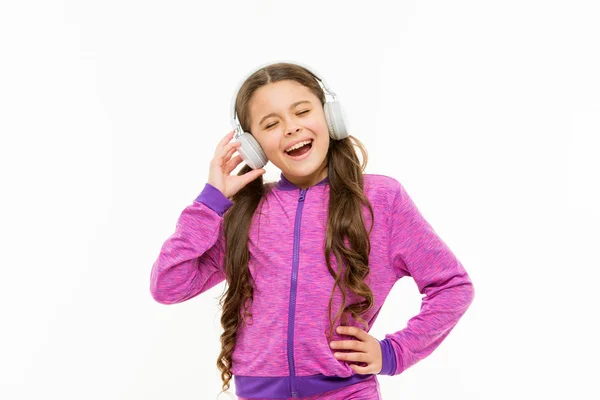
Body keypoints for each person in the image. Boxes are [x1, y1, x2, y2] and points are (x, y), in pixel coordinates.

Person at [149, 61, 475, 400]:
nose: (290, 128)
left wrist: (393, 352)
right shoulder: (244, 214)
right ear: (253, 146)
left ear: (330, 116)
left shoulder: (380, 199)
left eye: (302, 112)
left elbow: (452, 286)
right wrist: (210, 202)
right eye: (271, 123)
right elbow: (168, 285)